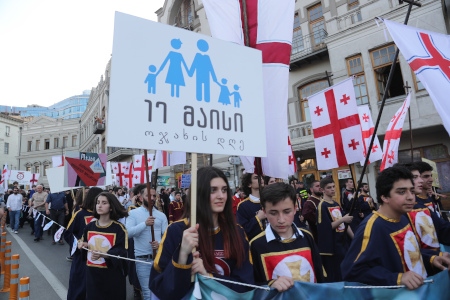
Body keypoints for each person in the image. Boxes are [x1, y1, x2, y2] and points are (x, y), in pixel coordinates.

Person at [150, 166, 254, 299]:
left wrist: (208, 276)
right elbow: (160, 286)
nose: (221, 196)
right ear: (199, 193)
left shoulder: (237, 232)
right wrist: (182, 256)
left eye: (224, 190)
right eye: (213, 190)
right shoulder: (176, 231)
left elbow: (246, 286)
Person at [342, 166, 450, 289]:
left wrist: (432, 258)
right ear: (384, 197)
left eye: (412, 191)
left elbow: (407, 254)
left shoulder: (403, 216)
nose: (410, 197)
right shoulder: (373, 226)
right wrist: (397, 278)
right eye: (402, 192)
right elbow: (352, 271)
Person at [250, 183, 324, 292]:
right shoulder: (256, 245)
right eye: (273, 213)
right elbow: (251, 286)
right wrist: (270, 284)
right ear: (264, 212)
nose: (281, 220)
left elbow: (320, 274)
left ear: (295, 208)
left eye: (286, 211)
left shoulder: (307, 236)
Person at [77, 192, 128, 300]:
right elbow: (83, 241)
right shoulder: (90, 226)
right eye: (98, 202)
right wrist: (83, 245)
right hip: (92, 274)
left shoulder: (119, 228)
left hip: (111, 276)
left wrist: (105, 255)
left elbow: (122, 251)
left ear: (111, 207)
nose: (99, 205)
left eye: (104, 203)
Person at [126, 184, 168, 300]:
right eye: (149, 195)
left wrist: (160, 245)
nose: (152, 198)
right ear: (141, 197)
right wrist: (145, 224)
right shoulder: (133, 214)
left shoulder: (161, 216)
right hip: (142, 259)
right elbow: (128, 233)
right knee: (147, 293)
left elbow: (166, 236)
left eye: (154, 196)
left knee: (160, 291)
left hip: (159, 258)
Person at [65, 187, 103, 300]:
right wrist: (80, 243)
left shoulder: (106, 215)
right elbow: (68, 234)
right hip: (83, 259)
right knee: (80, 288)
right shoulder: (80, 214)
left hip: (100, 258)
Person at [402, 163, 450, 251]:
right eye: (415, 177)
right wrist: (431, 258)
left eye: (420, 176)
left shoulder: (422, 208)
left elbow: (442, 229)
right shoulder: (399, 212)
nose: (420, 180)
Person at [317, 177, 353, 282]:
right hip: (333, 246)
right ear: (322, 190)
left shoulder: (336, 204)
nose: (332, 189)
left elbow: (345, 224)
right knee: (336, 274)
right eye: (329, 188)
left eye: (333, 187)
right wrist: (342, 219)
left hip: (342, 242)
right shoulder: (322, 206)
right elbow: (325, 228)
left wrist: (354, 237)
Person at [236, 173, 266, 241]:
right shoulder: (243, 206)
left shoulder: (270, 201)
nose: (260, 179)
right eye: (256, 178)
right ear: (249, 184)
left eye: (261, 177)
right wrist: (258, 218)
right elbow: (243, 231)